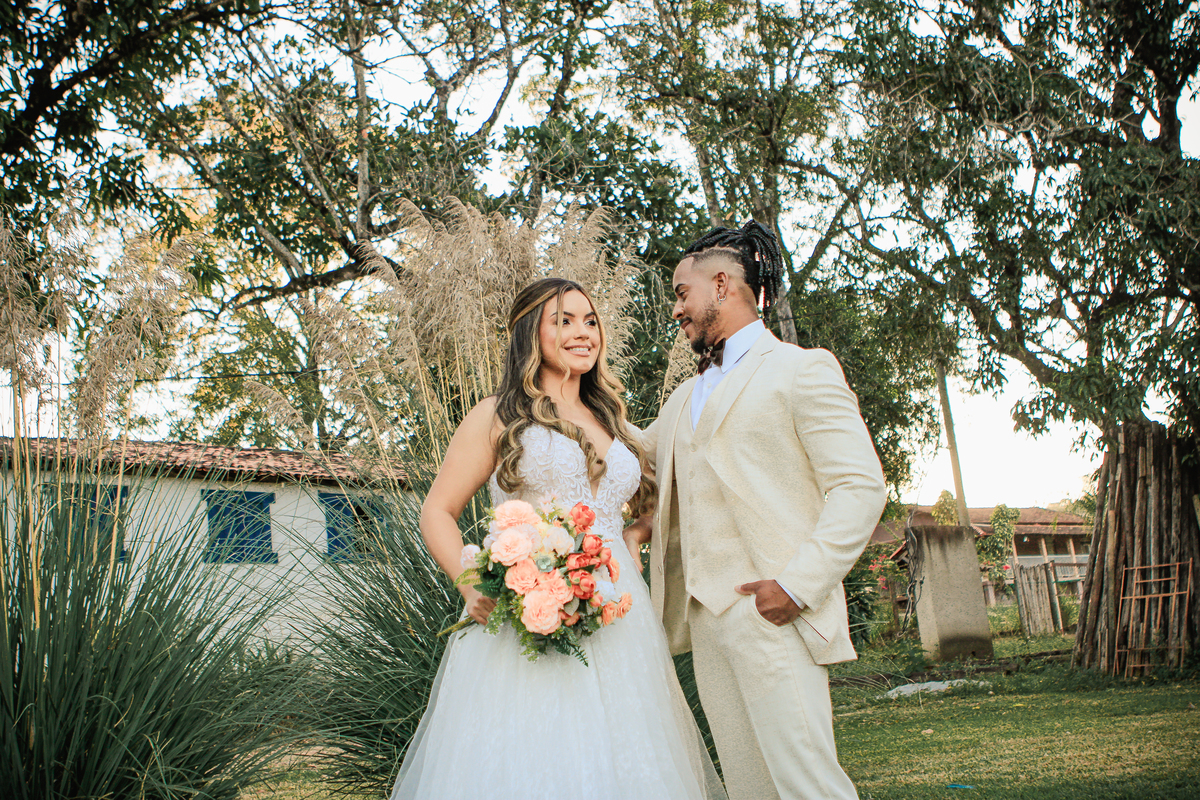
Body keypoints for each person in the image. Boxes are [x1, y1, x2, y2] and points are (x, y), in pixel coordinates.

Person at [392, 277, 725, 800]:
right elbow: (438, 509)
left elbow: (654, 491)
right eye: (563, 321)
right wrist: (467, 580)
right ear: (531, 333)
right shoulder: (498, 414)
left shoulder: (612, 418)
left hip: (619, 611)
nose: (582, 332)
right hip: (528, 605)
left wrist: (631, 537)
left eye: (590, 321)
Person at [628, 222, 888, 800]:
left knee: (807, 784)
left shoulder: (802, 369)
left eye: (681, 293)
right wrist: (563, 395)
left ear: (721, 284)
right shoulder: (681, 398)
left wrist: (797, 586)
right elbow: (630, 460)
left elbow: (861, 486)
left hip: (776, 611)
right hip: (705, 620)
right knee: (751, 788)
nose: (676, 310)